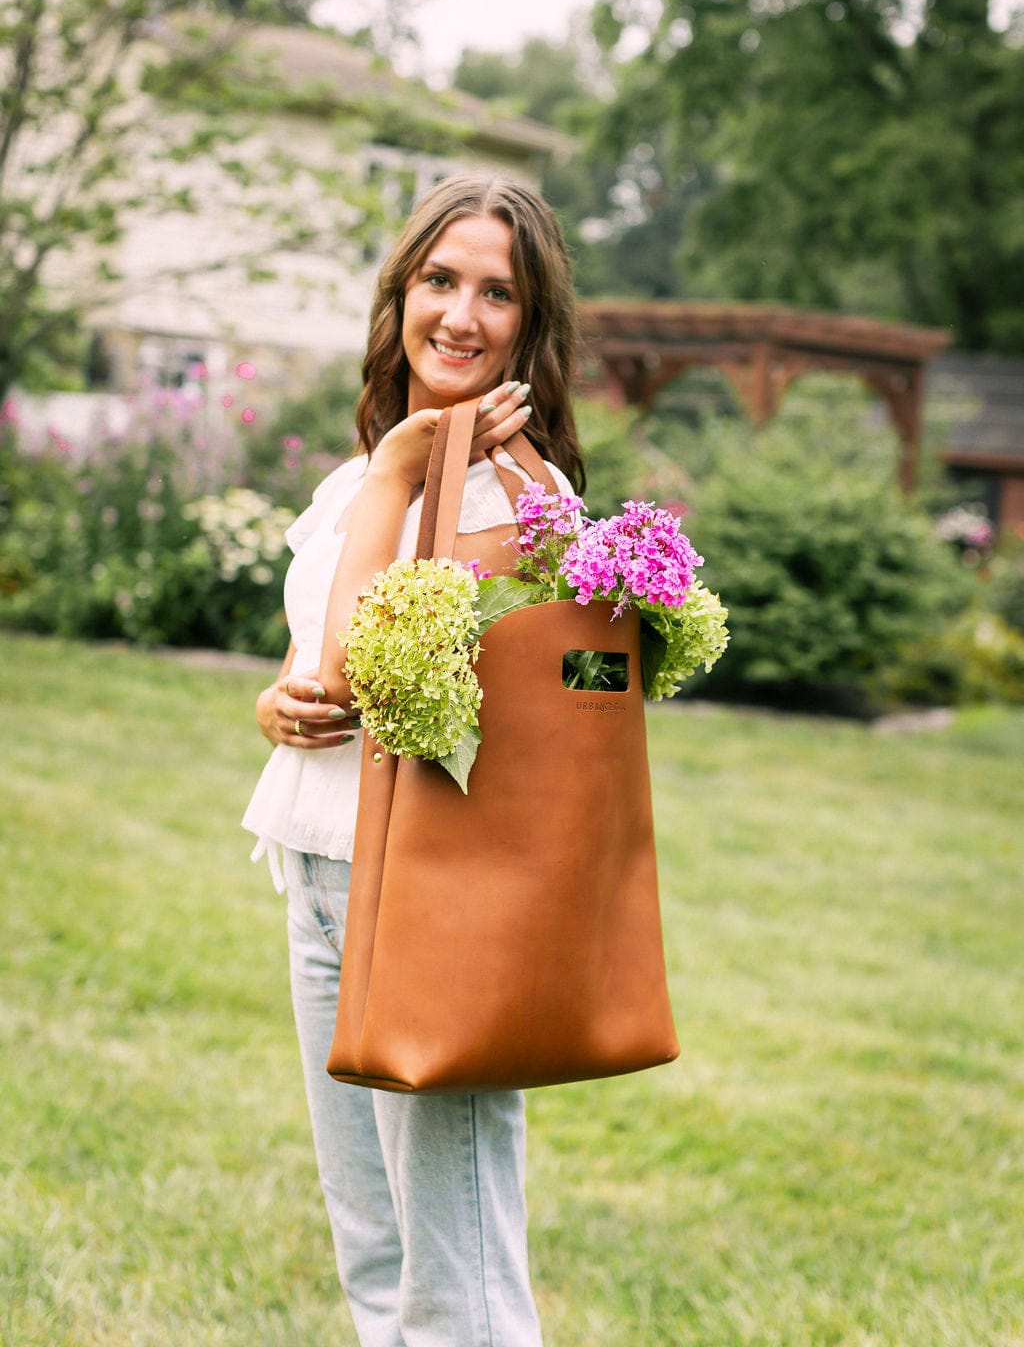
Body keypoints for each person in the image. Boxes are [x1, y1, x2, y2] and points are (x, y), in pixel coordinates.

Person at [242, 175, 585, 1347]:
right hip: (323, 869)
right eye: (440, 280)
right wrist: (276, 706)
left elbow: (384, 679)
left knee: (458, 1271)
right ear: (399, 298)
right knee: (376, 1252)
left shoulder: (527, 507)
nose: (462, 315)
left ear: (529, 328)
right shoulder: (355, 477)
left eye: (498, 293)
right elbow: (316, 665)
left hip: (439, 896)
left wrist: (407, 474)